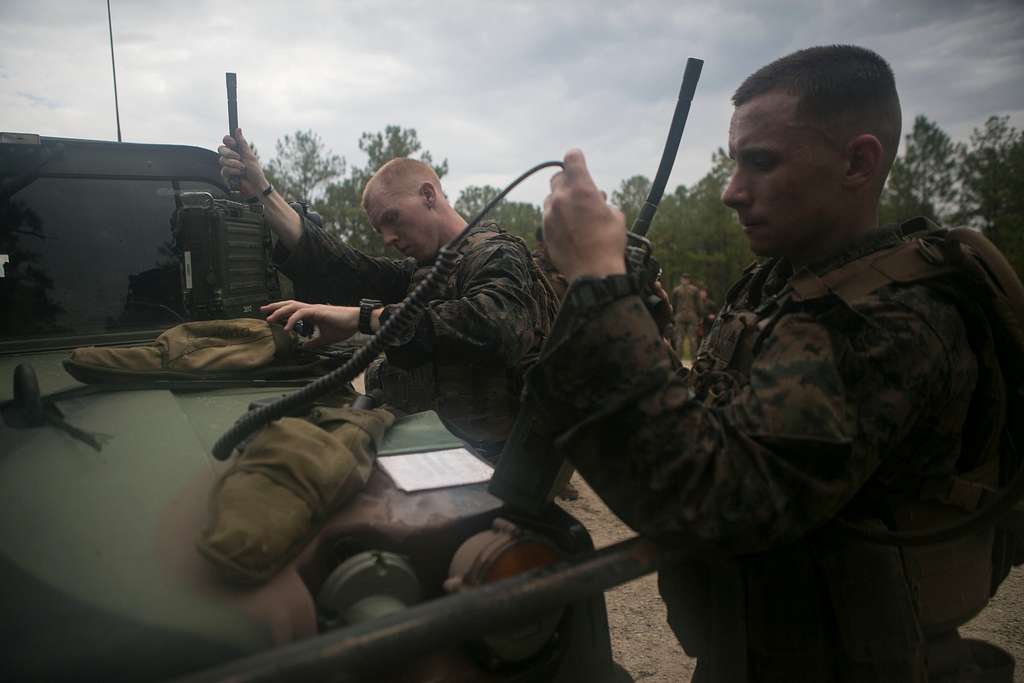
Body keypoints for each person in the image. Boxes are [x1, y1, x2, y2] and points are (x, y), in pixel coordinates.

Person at [529, 45, 1016, 681]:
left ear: (857, 161)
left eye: (760, 162)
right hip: (761, 651)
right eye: (735, 162)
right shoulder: (778, 285)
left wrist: (597, 278)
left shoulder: (894, 318)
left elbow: (714, 501)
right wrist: (630, 317)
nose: (732, 191)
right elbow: (707, 417)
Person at [218, 132, 556, 455]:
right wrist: (262, 191)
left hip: (486, 457)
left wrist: (365, 318)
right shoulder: (425, 269)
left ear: (428, 195)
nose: (389, 238)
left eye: (392, 219)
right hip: (430, 443)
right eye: (380, 229)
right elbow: (346, 268)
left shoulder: (495, 253)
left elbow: (495, 325)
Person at [670, 274, 700, 358]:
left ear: (681, 279)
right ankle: (694, 360)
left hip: (679, 315)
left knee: (679, 338)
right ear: (689, 280)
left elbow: (673, 305)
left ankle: (678, 360)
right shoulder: (694, 290)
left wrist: (672, 317)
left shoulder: (676, 290)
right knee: (693, 339)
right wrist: (700, 316)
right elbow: (699, 305)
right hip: (692, 315)